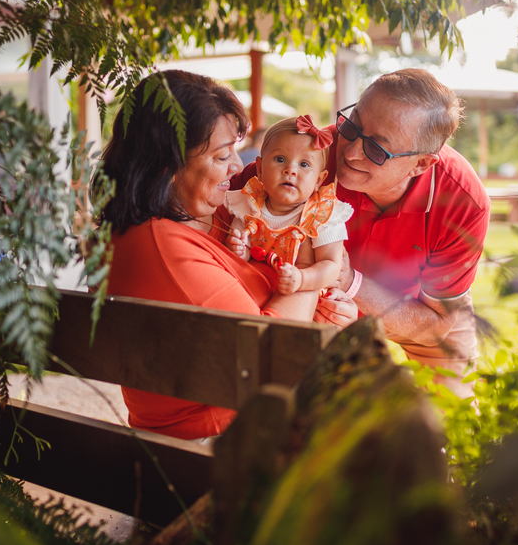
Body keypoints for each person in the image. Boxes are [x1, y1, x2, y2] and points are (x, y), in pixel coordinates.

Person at [96, 70, 356, 441]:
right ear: (167, 165)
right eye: (222, 156)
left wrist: (326, 302)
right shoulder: (160, 246)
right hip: (223, 435)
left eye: (236, 148)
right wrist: (309, 270)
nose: (237, 166)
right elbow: (267, 351)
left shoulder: (210, 213)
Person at [233, 68, 490, 384]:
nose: (350, 152)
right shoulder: (310, 153)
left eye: (376, 149)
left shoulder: (463, 202)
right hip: (319, 294)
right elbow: (217, 193)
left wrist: (352, 284)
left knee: (451, 415)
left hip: (420, 305)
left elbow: (434, 327)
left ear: (421, 163)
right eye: (352, 126)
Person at [223, 116, 353, 295]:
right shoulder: (249, 204)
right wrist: (239, 249)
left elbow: (331, 265)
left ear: (319, 180)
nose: (290, 169)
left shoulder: (322, 215)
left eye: (304, 164)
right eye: (280, 159)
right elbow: (244, 249)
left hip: (304, 295)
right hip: (257, 287)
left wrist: (302, 279)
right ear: (259, 169)